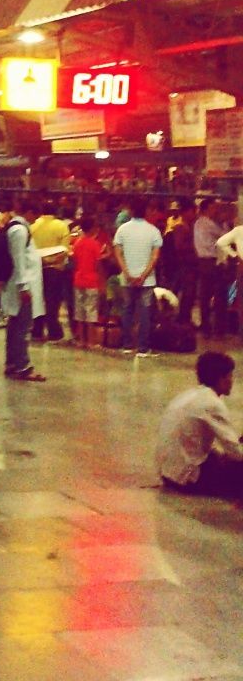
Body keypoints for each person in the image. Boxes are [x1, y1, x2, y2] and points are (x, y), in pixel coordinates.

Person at [156, 351, 243, 497]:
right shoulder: (212, 403)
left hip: (168, 472)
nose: (232, 381)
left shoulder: (190, 395)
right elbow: (236, 452)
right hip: (187, 477)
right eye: (230, 376)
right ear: (222, 379)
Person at [0, 196, 45, 381]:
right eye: (35, 215)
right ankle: (22, 366)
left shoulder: (19, 228)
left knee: (15, 326)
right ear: (29, 212)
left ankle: (12, 363)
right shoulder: (19, 230)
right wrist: (24, 287)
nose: (36, 219)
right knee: (22, 327)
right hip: (21, 288)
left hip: (18, 286)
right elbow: (18, 260)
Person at [114, 196, 163, 356]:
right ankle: (143, 348)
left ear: (131, 211)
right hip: (147, 281)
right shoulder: (153, 231)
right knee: (145, 313)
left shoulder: (122, 230)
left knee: (127, 310)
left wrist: (128, 274)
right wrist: (143, 276)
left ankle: (127, 345)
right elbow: (155, 257)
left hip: (126, 279)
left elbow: (118, 254)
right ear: (146, 211)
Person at [30, 202, 71, 343]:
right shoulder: (61, 226)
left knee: (38, 299)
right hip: (55, 269)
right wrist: (52, 260)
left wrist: (42, 261)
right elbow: (65, 250)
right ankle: (54, 331)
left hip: (37, 268)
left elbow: (30, 250)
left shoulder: (33, 226)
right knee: (52, 301)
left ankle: (37, 330)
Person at [195, 198, 228, 336]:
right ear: (207, 209)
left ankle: (206, 328)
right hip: (212, 262)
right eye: (214, 208)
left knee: (205, 296)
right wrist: (225, 222)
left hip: (203, 262)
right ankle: (219, 328)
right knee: (219, 295)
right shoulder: (208, 223)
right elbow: (225, 236)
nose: (216, 210)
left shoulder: (198, 223)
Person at [71, 215, 103, 347]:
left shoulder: (77, 243)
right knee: (91, 311)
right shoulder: (95, 244)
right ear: (92, 228)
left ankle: (81, 340)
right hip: (91, 280)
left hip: (78, 279)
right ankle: (91, 341)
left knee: (79, 311)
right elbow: (97, 264)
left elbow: (76, 260)